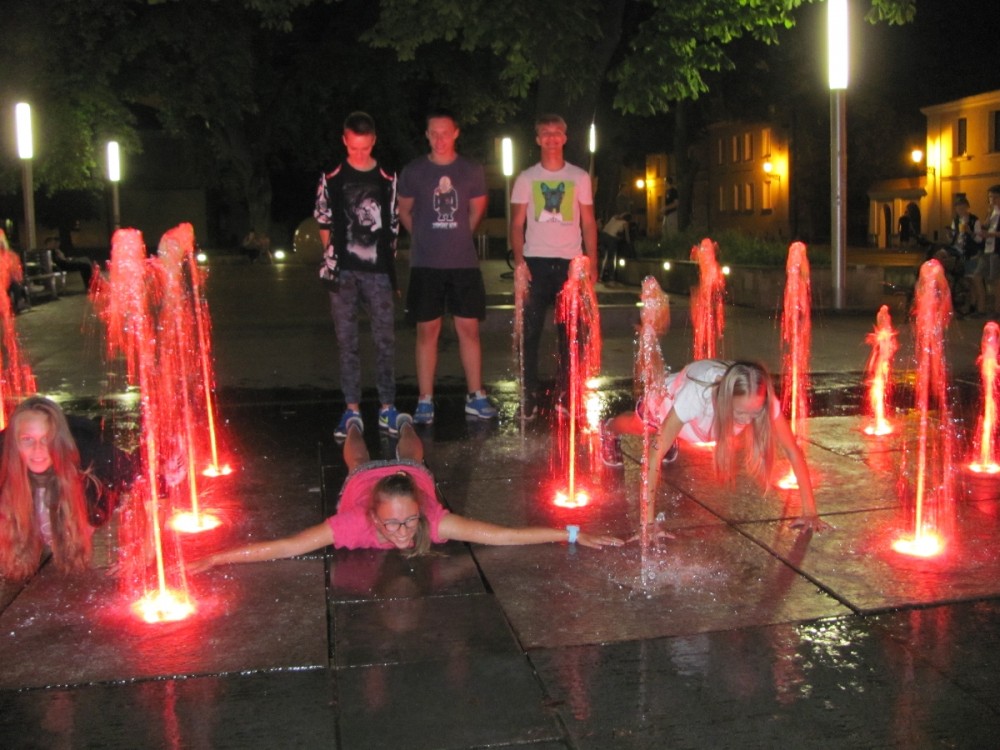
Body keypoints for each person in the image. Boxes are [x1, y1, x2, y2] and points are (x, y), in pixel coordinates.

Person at [190, 413, 622, 570]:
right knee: (357, 460)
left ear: (420, 512)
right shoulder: (353, 522)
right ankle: (353, 425)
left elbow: (504, 535)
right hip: (364, 479)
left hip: (411, 473)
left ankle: (406, 424)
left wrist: (572, 533)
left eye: (409, 521)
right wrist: (215, 558)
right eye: (393, 523)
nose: (402, 531)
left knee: (414, 456)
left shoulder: (432, 520)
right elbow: (286, 546)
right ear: (373, 517)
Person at [600, 359, 826, 532]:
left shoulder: (761, 398)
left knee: (669, 434)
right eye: (740, 413)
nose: (747, 420)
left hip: (694, 423)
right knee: (639, 426)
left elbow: (792, 450)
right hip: (666, 403)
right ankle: (609, 428)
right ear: (724, 400)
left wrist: (810, 512)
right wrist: (648, 525)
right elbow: (652, 457)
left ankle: (672, 435)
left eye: (754, 414)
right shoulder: (698, 395)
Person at [398, 109, 496, 425]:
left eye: (445, 133)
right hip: (426, 265)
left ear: (456, 133)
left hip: (463, 264)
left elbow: (475, 210)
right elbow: (404, 211)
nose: (440, 139)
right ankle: (425, 400)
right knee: (428, 331)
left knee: (469, 330)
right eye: (434, 133)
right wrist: (423, 237)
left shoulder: (471, 170)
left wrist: (457, 235)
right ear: (427, 135)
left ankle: (475, 395)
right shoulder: (414, 171)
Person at [314, 112, 402, 439]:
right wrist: (333, 256)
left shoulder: (387, 178)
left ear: (374, 141)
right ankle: (352, 408)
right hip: (344, 272)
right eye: (354, 148)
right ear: (345, 141)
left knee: (385, 340)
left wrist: (388, 265)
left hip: (378, 271)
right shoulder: (332, 177)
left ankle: (387, 406)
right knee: (346, 342)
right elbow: (323, 219)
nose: (360, 154)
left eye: (365, 148)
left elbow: (393, 224)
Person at [510, 114, 599, 419]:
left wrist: (591, 261)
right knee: (530, 332)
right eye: (545, 133)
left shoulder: (579, 177)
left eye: (556, 133)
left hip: (570, 265)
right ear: (538, 139)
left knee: (571, 335)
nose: (551, 138)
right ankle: (529, 394)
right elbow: (517, 223)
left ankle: (567, 393)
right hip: (535, 261)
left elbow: (588, 222)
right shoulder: (526, 178)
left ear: (565, 138)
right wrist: (520, 263)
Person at [0, 396, 138, 580]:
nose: (38, 449)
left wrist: (144, 547)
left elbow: (150, 478)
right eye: (27, 439)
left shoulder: (92, 453)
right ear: (13, 443)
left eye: (46, 439)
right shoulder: (3, 460)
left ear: (58, 440)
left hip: (94, 516)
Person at [948, 197, 985, 316]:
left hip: (973, 254)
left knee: (977, 282)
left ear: (967, 207)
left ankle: (981, 309)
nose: (960, 209)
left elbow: (979, 239)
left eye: (962, 206)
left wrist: (970, 232)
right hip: (962, 254)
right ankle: (972, 307)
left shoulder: (974, 221)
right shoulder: (956, 221)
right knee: (969, 282)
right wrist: (951, 236)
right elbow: (955, 239)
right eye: (958, 207)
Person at [975, 185, 1000, 316]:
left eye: (995, 197)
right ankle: (981, 308)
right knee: (977, 276)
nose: (992, 200)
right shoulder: (992, 211)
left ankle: (997, 309)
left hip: (997, 249)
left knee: (996, 280)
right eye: (990, 197)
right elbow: (985, 226)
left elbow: (995, 232)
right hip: (987, 248)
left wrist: (991, 234)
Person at [0, 229, 29, 314]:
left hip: (8, 279)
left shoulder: (9, 255)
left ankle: (18, 303)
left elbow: (14, 268)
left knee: (14, 284)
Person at [598, 212, 631, 282]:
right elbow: (627, 235)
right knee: (612, 258)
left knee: (604, 257)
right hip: (611, 238)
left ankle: (600, 276)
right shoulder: (625, 223)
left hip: (603, 235)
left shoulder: (614, 218)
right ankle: (611, 276)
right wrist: (629, 243)